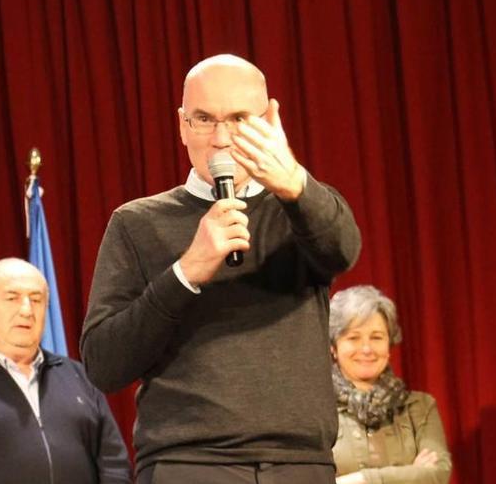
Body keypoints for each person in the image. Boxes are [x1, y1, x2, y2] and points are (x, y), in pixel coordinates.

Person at [80, 53, 362, 483]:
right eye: (204, 119)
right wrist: (185, 272)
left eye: (239, 119)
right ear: (181, 126)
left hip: (299, 464)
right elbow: (103, 363)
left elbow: (343, 251)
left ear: (269, 121)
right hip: (189, 464)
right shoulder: (136, 223)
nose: (221, 139)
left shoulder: (303, 208)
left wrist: (295, 185)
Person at [0, 258, 131, 484]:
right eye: (12, 298)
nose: (27, 310)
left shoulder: (77, 376)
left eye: (36, 300)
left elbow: (114, 464)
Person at [329, 285, 452, 483]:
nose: (367, 348)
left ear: (389, 343)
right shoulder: (316, 412)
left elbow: (437, 475)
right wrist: (412, 474)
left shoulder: (420, 407)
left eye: (376, 337)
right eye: (354, 338)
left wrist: (360, 479)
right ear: (333, 347)